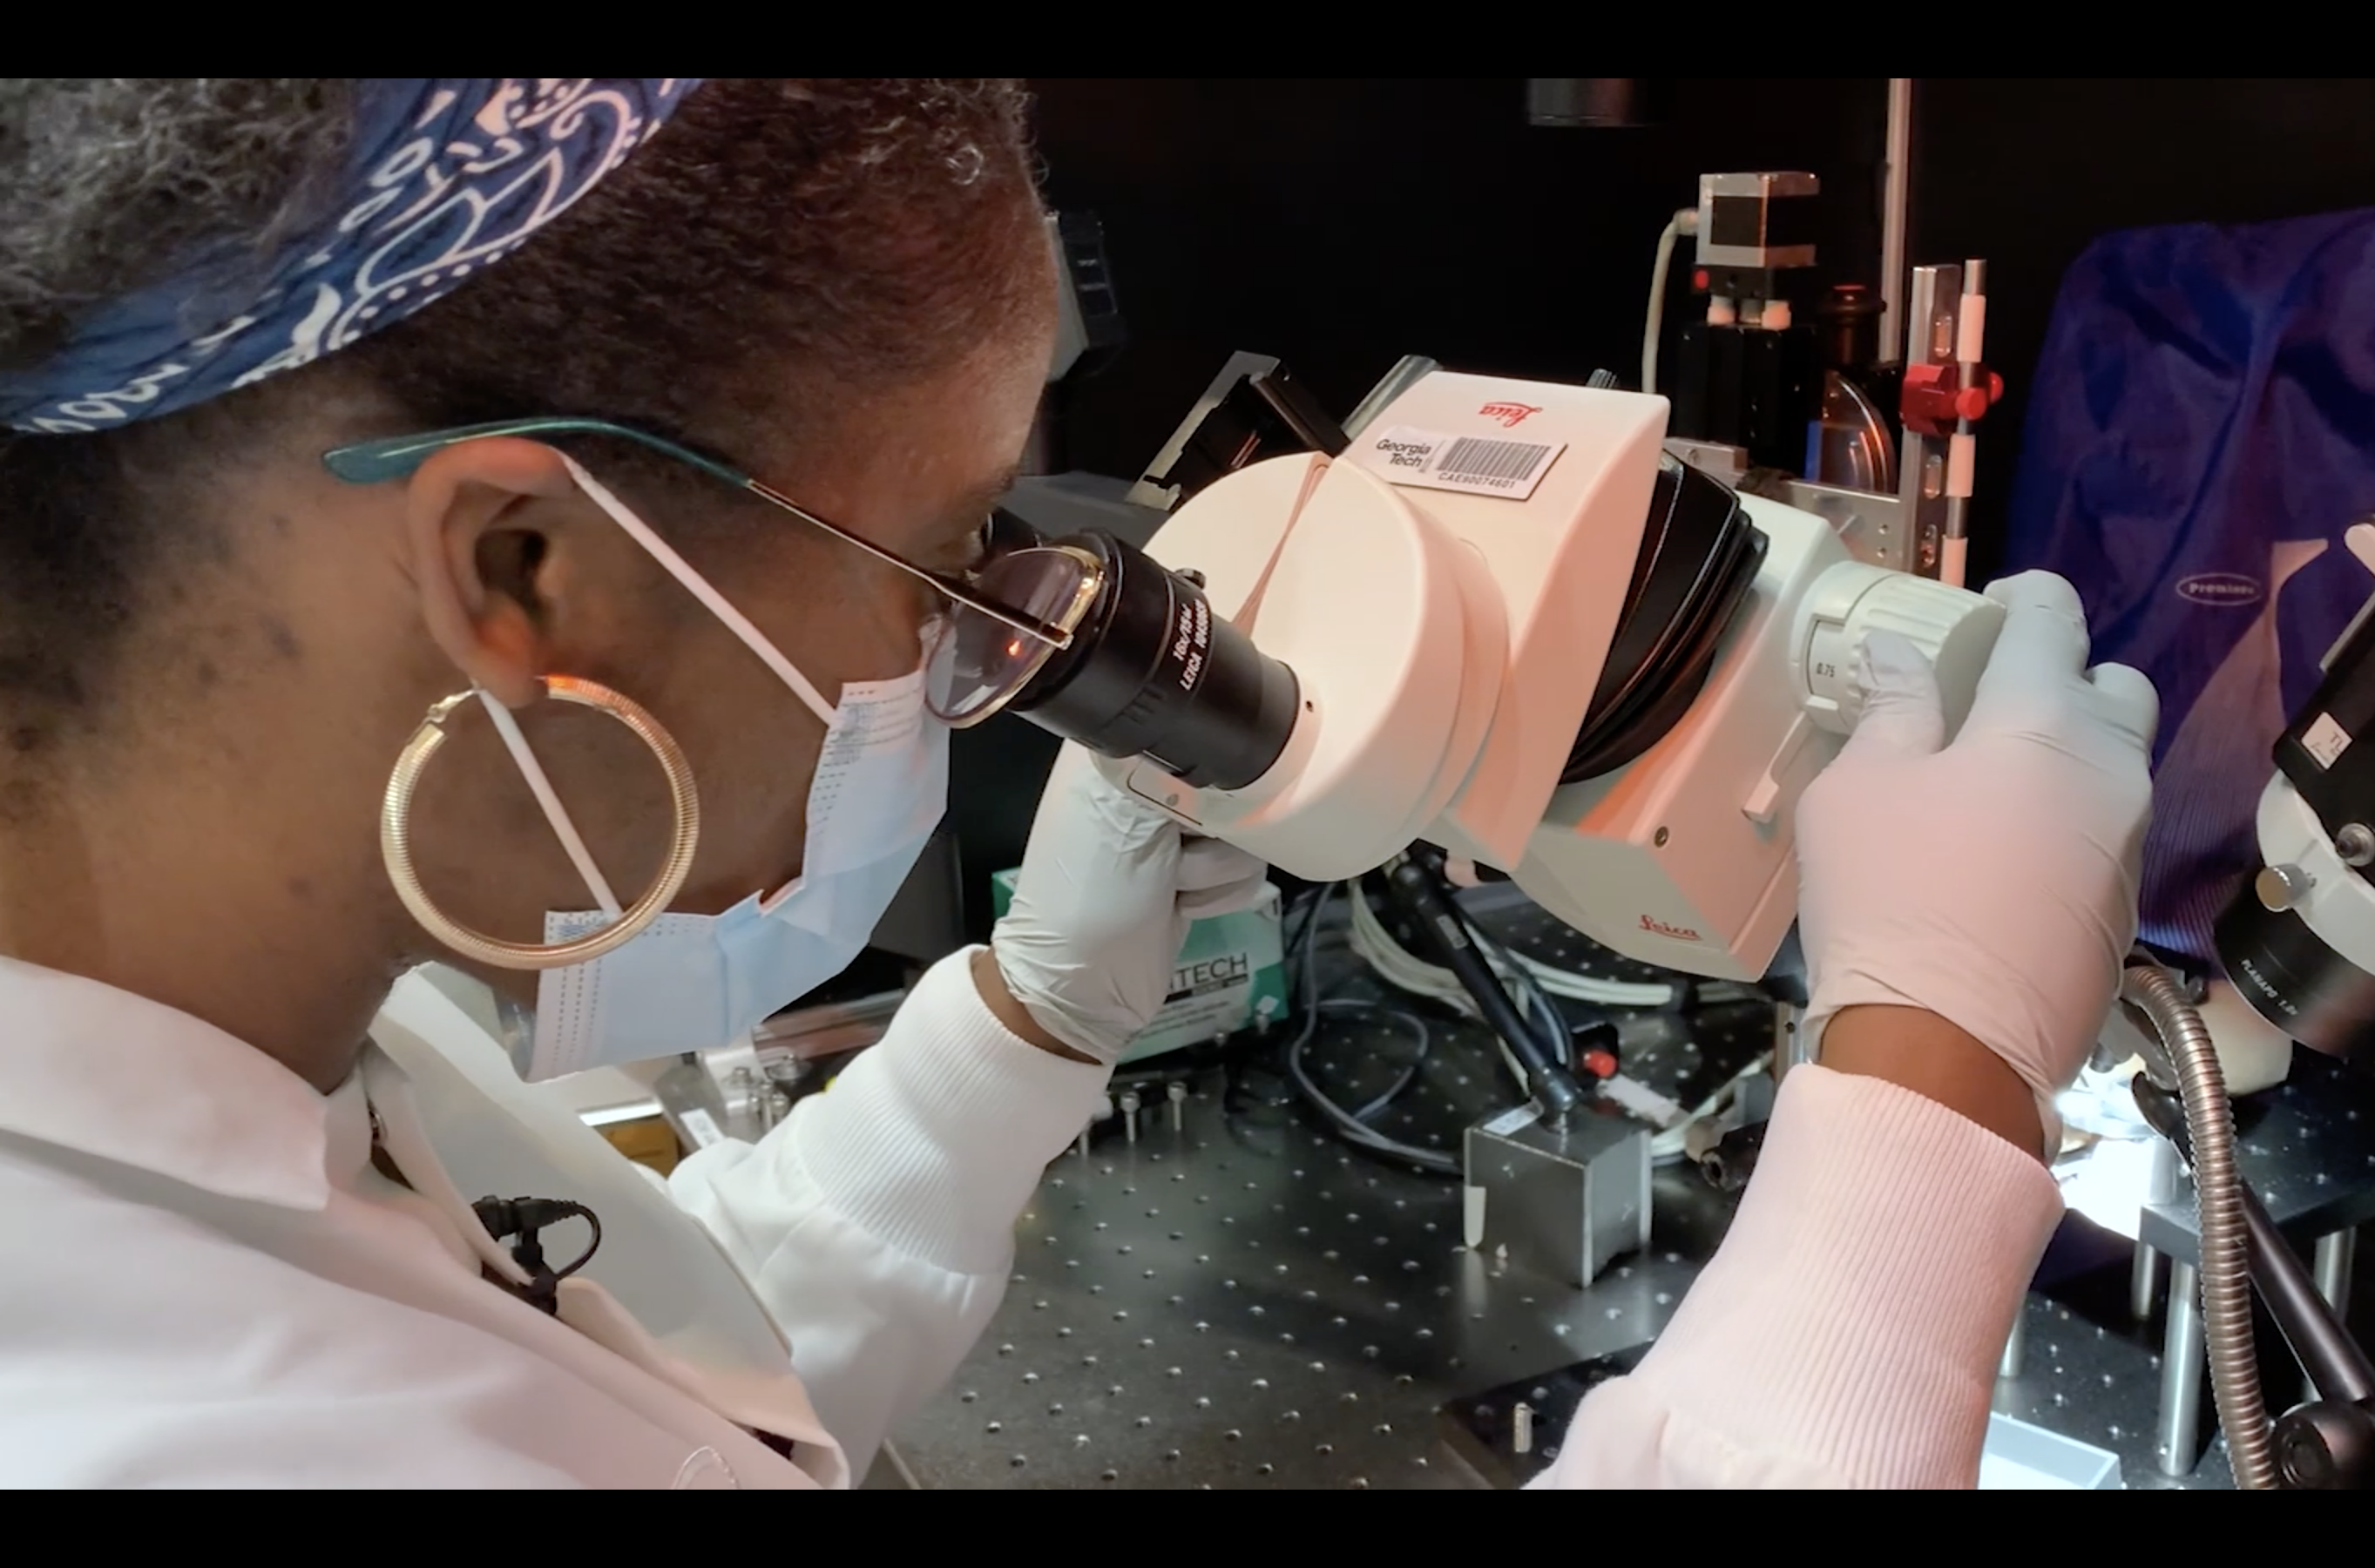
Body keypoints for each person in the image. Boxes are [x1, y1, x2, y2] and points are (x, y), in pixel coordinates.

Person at [0, 78, 2158, 1489]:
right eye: (942, 560)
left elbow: (645, 1374)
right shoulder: (167, 1427)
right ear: (527, 572)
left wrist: (1030, 1025)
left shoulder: (258, 1049)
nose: (992, 650)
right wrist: (1928, 1087)